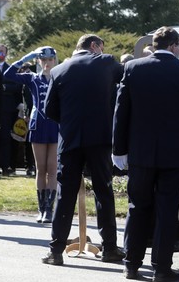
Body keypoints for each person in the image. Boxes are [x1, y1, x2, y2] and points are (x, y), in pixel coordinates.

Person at [112, 27, 179, 282]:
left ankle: (131, 264)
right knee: (167, 211)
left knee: (137, 208)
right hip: (173, 153)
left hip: (141, 152)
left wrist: (118, 149)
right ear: (175, 46)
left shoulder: (133, 69)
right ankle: (161, 267)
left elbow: (121, 112)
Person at [41, 34, 125, 266]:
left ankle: (56, 250)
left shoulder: (58, 70)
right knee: (103, 192)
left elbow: (50, 109)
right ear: (94, 46)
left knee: (64, 194)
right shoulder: (107, 62)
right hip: (100, 138)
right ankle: (109, 247)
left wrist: (69, 123)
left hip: (70, 141)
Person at [2, 46, 61, 222]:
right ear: (38, 61)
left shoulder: (59, 78)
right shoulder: (32, 78)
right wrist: (25, 58)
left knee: (52, 169)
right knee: (40, 168)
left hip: (55, 125)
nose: (47, 63)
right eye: (43, 60)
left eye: (50, 60)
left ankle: (49, 210)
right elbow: (8, 74)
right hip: (37, 125)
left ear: (54, 61)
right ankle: (41, 208)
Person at [0, 44, 17, 176]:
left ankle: (5, 166)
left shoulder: (10, 70)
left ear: (6, 54)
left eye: (2, 51)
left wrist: (2, 88)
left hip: (6, 109)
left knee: (5, 138)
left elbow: (17, 86)